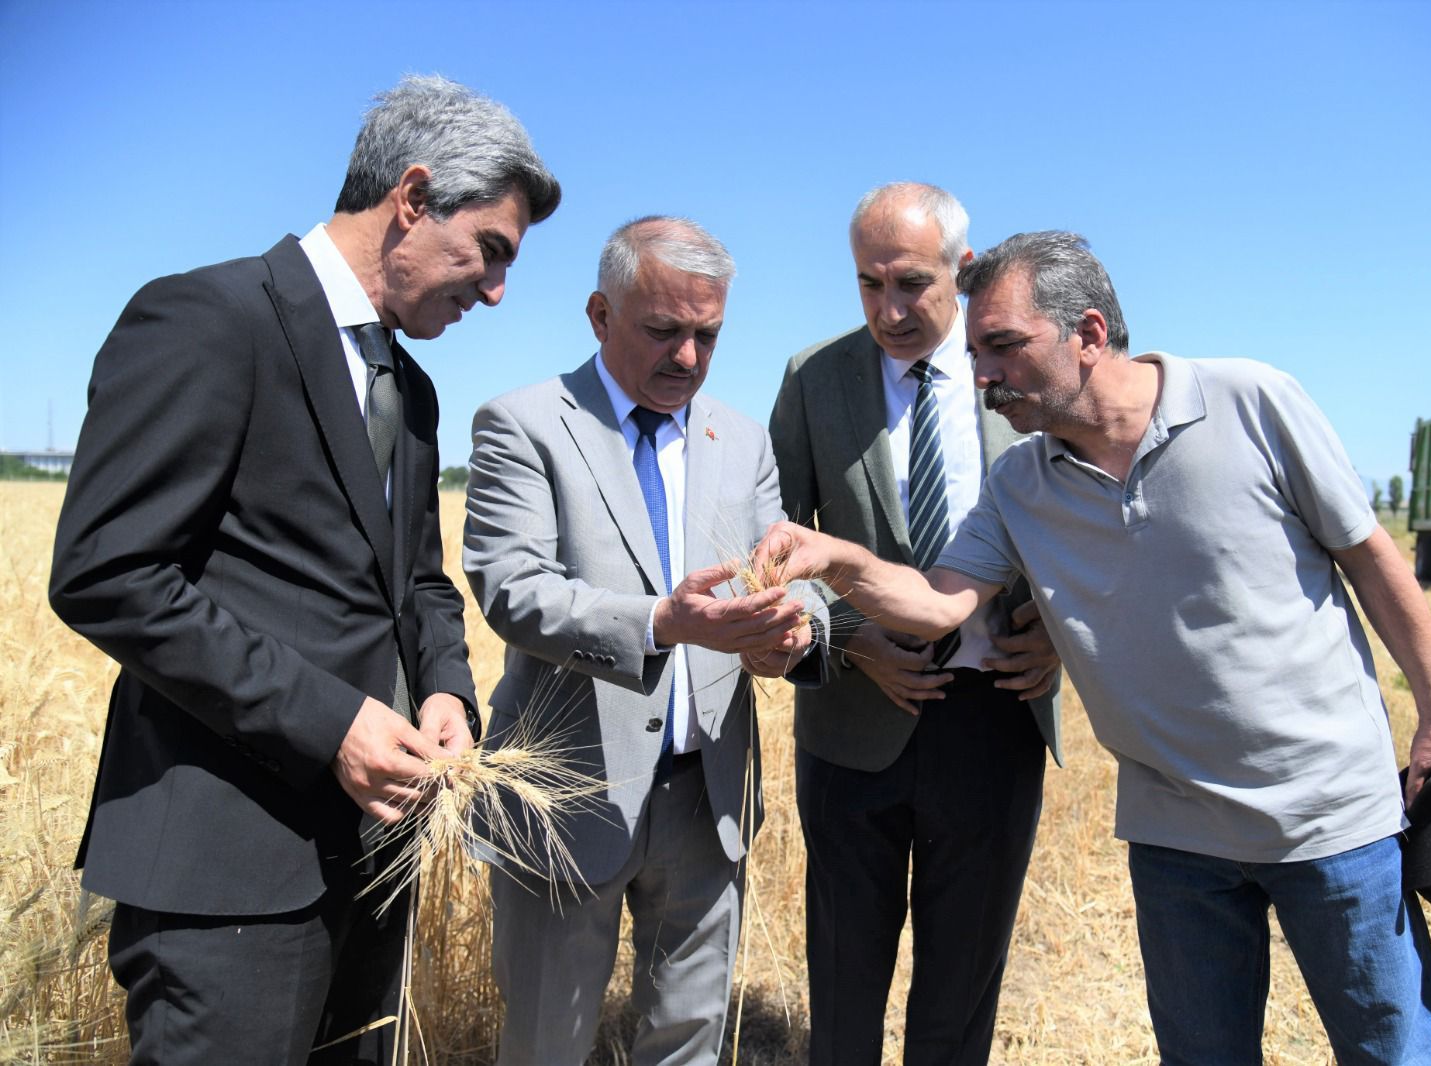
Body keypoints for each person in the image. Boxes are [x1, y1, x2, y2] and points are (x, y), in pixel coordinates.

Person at [754, 230, 1431, 1065]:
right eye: (977, 351)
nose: (981, 374)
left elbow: (1373, 564)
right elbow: (934, 604)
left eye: (1002, 347)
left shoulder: (1252, 401)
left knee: (1391, 1051)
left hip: (1328, 820)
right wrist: (839, 563)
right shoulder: (1021, 481)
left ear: (1090, 335)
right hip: (1176, 840)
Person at [47, 75, 560, 1063]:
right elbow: (108, 572)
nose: (495, 292)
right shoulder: (206, 317)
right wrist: (332, 722)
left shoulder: (408, 391)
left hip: (372, 864)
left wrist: (448, 690)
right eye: (489, 252)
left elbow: (416, 584)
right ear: (412, 199)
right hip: (224, 882)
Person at [463, 216, 827, 1065]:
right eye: (664, 330)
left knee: (688, 1039)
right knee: (545, 1042)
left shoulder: (739, 437)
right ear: (599, 314)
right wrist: (663, 622)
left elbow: (786, 563)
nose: (689, 359)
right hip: (567, 798)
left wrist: (795, 625)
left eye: (708, 334)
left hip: (709, 800)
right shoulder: (524, 424)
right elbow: (514, 591)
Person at [766, 183, 1062, 1065]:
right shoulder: (813, 381)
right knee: (845, 986)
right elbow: (773, 544)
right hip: (855, 729)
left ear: (962, 272)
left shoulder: (1019, 374)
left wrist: (1058, 634)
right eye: (868, 285)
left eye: (912, 284)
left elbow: (1091, 532)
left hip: (995, 717)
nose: (889, 310)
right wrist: (854, 643)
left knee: (960, 995)